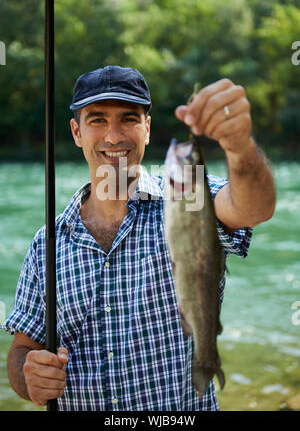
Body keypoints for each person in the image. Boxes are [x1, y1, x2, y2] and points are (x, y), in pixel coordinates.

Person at [1, 65, 276, 411]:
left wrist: (240, 148)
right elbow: (22, 349)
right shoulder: (46, 244)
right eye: (97, 120)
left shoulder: (187, 194)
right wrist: (30, 379)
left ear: (146, 128)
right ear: (76, 132)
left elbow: (253, 207)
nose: (114, 136)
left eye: (128, 119)